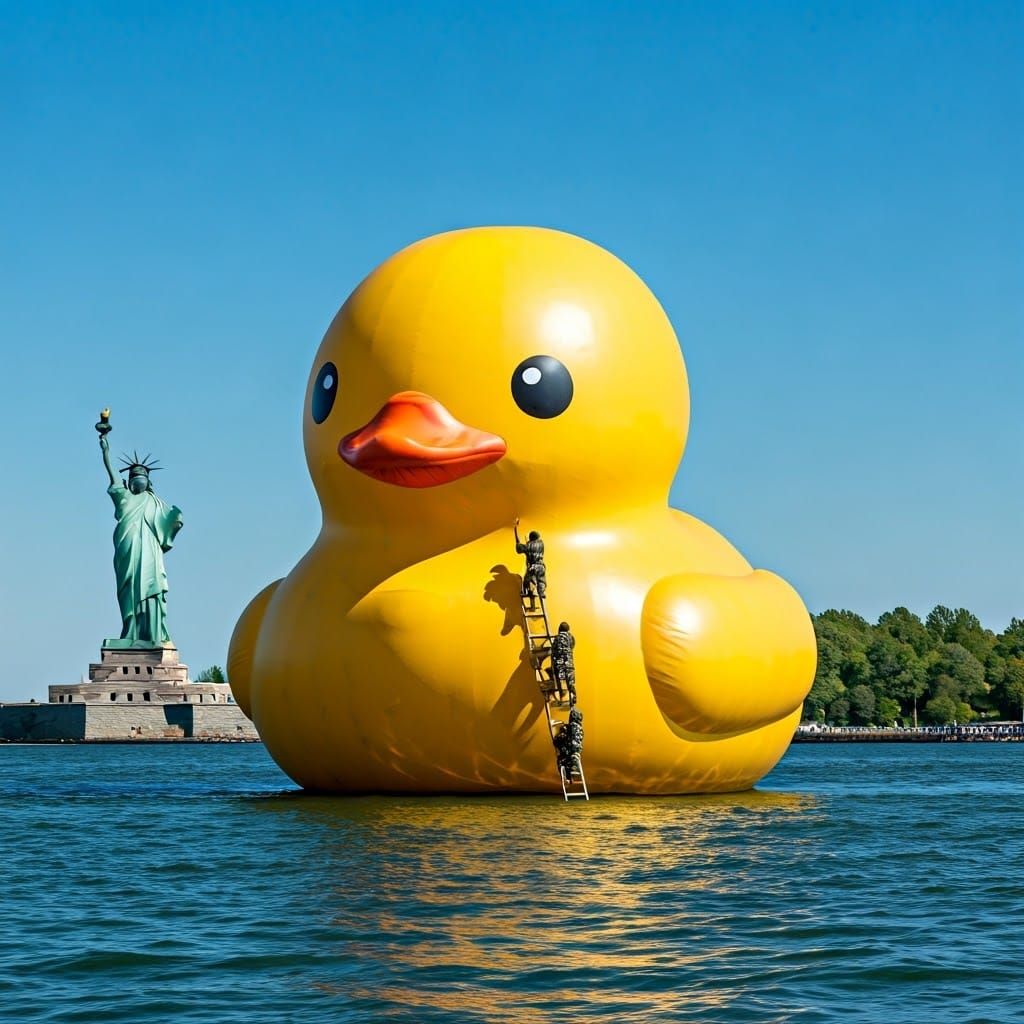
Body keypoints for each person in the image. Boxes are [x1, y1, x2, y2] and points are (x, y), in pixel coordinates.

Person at [513, 519, 546, 607]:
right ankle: (541, 592)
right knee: (541, 580)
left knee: (527, 580)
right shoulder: (541, 544)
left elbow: (519, 548)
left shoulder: (528, 546)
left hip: (532, 567)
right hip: (541, 566)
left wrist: (515, 531)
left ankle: (528, 592)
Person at [549, 622, 576, 703]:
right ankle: (573, 697)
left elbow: (553, 650)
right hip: (569, 663)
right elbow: (572, 646)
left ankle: (561, 697)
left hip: (560, 664)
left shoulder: (557, 638)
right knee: (570, 681)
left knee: (559, 680)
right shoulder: (571, 637)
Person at [554, 707, 584, 776]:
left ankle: (567, 773)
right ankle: (572, 770)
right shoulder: (581, 729)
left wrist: (558, 738)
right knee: (569, 760)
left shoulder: (571, 726)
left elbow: (566, 736)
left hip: (570, 749)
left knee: (562, 760)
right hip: (576, 751)